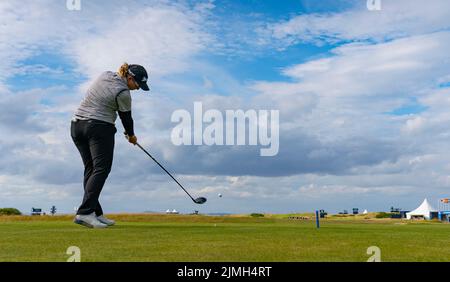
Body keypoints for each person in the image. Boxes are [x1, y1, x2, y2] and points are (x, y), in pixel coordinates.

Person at [71, 63, 150, 228]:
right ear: (129, 78)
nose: (137, 89)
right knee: (101, 169)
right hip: (99, 128)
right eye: (137, 84)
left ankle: (95, 213)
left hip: (77, 126)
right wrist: (131, 136)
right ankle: (85, 213)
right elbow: (126, 118)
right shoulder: (124, 93)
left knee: (91, 169)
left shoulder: (105, 74)